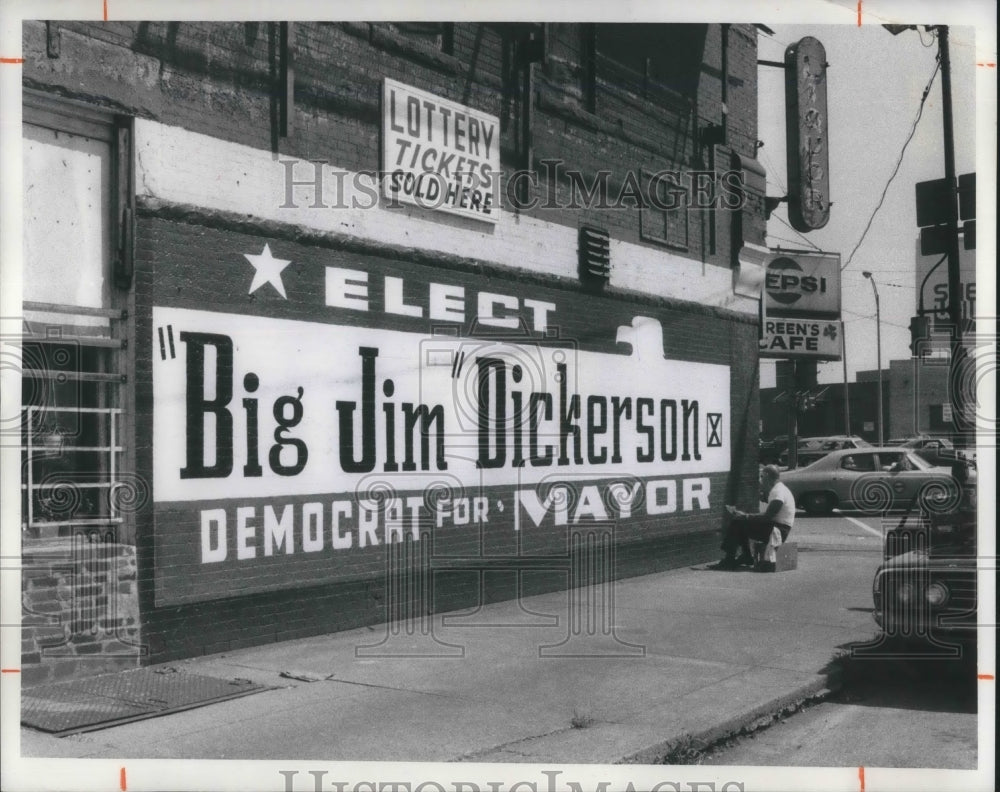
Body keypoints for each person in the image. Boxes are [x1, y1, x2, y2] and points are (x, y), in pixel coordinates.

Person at [715, 465, 795, 571]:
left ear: (766, 475)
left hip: (779, 531)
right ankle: (745, 556)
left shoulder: (778, 492)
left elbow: (767, 517)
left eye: (762, 476)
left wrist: (745, 516)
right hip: (779, 528)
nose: (761, 480)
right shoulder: (779, 489)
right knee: (741, 523)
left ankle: (730, 559)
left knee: (738, 523)